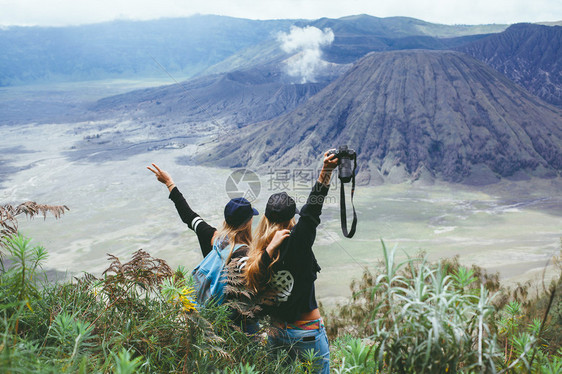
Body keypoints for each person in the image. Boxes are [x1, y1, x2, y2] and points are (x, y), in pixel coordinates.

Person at [244, 151, 337, 374]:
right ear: (291, 219)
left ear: (265, 218)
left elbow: (251, 278)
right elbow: (313, 209)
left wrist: (268, 250)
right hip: (306, 333)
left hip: (276, 334)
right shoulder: (298, 243)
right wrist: (326, 171)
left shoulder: (259, 251)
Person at [147, 163, 259, 332]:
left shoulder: (213, 238)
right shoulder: (248, 255)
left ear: (226, 220)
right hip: (241, 330)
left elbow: (189, 215)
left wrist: (170, 183)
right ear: (248, 223)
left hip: (212, 321)